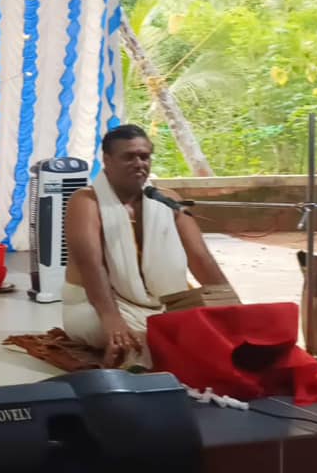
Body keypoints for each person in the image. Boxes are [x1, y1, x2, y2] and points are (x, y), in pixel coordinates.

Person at [62, 125, 232, 368]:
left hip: (162, 303)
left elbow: (201, 257)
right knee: (131, 339)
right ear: (107, 161)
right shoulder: (85, 201)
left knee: (215, 327)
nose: (139, 163)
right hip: (94, 304)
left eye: (144, 156)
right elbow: (91, 264)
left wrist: (231, 307)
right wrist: (112, 320)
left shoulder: (166, 199)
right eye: (129, 157)